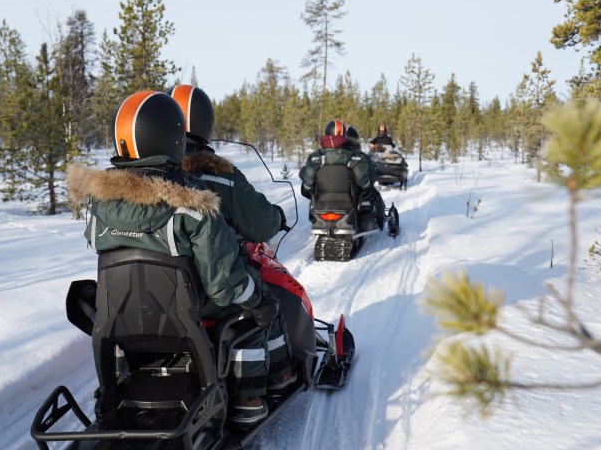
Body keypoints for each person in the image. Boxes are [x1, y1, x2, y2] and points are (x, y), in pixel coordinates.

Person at [66, 90, 278, 425]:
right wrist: (258, 299)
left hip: (125, 312)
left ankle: (123, 379)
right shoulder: (194, 206)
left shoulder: (96, 208)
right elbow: (224, 285)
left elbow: (100, 245)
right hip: (188, 309)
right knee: (255, 307)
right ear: (172, 139)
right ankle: (247, 396)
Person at [166, 84, 296, 393]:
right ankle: (276, 376)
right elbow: (260, 223)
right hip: (212, 290)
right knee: (265, 304)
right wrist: (277, 216)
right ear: (205, 124)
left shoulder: (150, 178)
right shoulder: (221, 176)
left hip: (159, 293)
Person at [299, 119, 386, 229]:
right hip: (348, 199)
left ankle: (314, 216)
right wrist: (366, 186)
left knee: (309, 191)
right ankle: (376, 221)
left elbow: (308, 181)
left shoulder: (316, 157)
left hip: (323, 200)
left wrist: (309, 188)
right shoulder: (354, 156)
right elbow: (363, 180)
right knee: (371, 194)